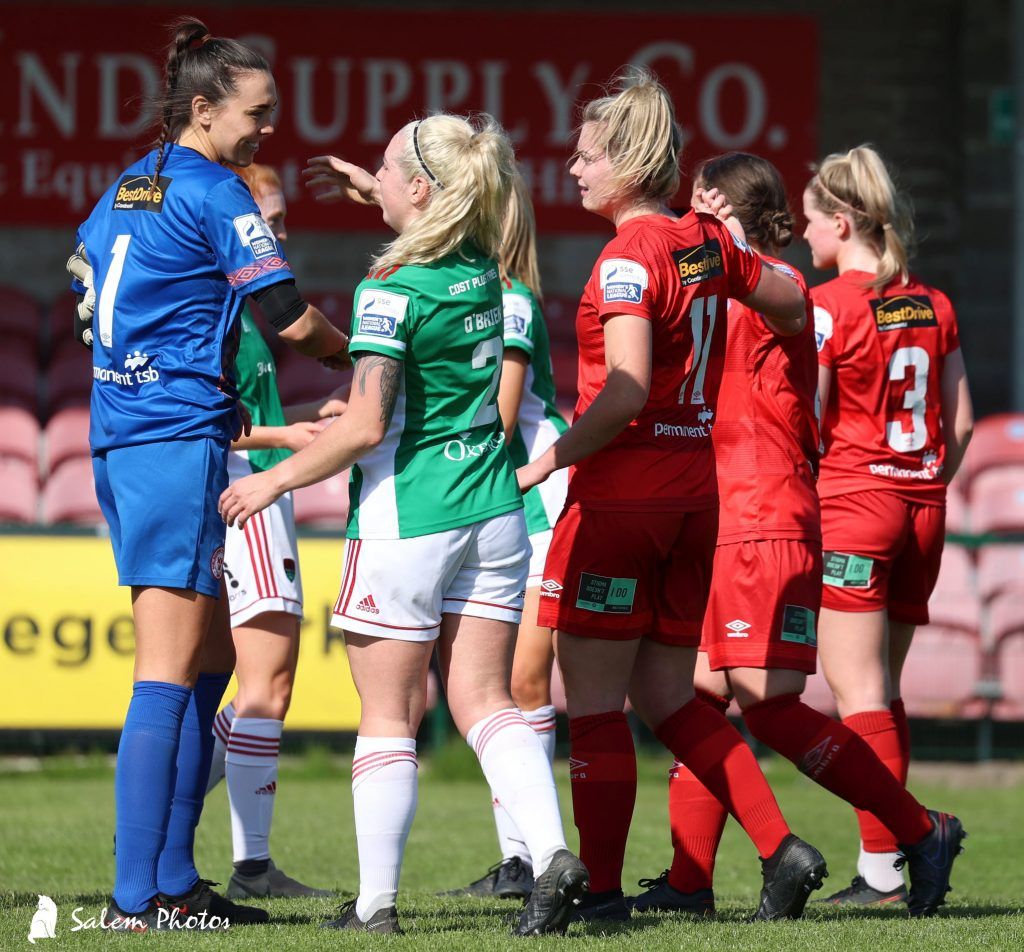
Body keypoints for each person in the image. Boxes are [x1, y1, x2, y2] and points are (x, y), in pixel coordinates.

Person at [220, 113, 588, 936]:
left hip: (406, 521)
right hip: (496, 513)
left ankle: (375, 907)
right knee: (487, 703)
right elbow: (444, 227)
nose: (373, 177)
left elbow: (361, 426)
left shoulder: (388, 291)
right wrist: (379, 188)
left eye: (386, 168)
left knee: (389, 715)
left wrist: (270, 480)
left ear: (422, 190)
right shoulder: (489, 276)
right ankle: (552, 851)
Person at [516, 70, 825, 923]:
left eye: (585, 156)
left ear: (626, 162)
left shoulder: (627, 257)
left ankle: (606, 894)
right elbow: (794, 298)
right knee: (668, 699)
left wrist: (546, 463)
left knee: (596, 703)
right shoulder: (706, 244)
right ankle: (781, 847)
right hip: (698, 500)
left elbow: (622, 389)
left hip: (624, 501)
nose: (573, 169)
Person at [629, 152, 969, 921]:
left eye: (698, 208)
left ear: (722, 210)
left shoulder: (773, 289)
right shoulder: (760, 288)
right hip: (751, 511)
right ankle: (690, 882)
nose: (686, 225)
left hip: (765, 512)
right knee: (702, 700)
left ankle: (914, 832)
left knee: (774, 704)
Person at [67, 18, 348, 931]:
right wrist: (374, 360)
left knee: (211, 659)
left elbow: (93, 297)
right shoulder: (216, 190)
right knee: (166, 669)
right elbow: (287, 320)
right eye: (257, 114)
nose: (268, 129)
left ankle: (178, 883)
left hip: (131, 434)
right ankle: (132, 902)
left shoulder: (122, 190)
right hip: (172, 441)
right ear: (203, 109)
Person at [805, 145, 971, 913]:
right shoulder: (934, 303)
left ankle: (883, 871)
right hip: (925, 505)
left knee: (857, 691)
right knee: (885, 688)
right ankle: (892, 866)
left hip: (856, 503)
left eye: (810, 222)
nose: (804, 236)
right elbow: (960, 421)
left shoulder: (829, 304)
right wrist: (922, 480)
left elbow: (810, 417)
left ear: (842, 222)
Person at [203, 161, 340, 900]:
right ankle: (251, 865)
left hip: (250, 491)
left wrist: (296, 427)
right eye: (273, 222)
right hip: (243, 497)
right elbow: (211, 423)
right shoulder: (223, 308)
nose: (281, 235)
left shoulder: (232, 308)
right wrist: (287, 438)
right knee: (268, 682)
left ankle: (168, 806)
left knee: (245, 681)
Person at [444, 172, 568, 900]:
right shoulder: (465, 295)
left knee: (520, 683)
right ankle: (521, 860)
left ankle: (530, 861)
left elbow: (499, 415)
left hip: (533, 500)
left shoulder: (510, 300)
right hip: (491, 498)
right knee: (501, 687)